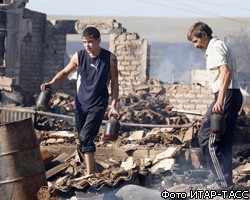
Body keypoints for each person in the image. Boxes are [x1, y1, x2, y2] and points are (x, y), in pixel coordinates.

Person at [40, 26, 120, 175]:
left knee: (85, 138)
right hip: (80, 104)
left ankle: (90, 176)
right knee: (82, 139)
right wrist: (52, 83)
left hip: (98, 104)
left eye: (90, 42)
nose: (87, 45)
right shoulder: (79, 56)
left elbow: (115, 83)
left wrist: (113, 105)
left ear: (98, 41)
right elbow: (65, 72)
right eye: (84, 42)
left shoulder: (109, 58)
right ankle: (94, 172)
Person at [187, 22, 242, 190]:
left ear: (204, 35)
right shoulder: (220, 45)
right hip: (233, 94)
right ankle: (226, 182)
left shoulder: (214, 48)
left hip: (225, 95)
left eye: (196, 41)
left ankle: (222, 183)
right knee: (224, 142)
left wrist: (219, 100)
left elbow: (226, 72)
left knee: (207, 139)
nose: (196, 46)